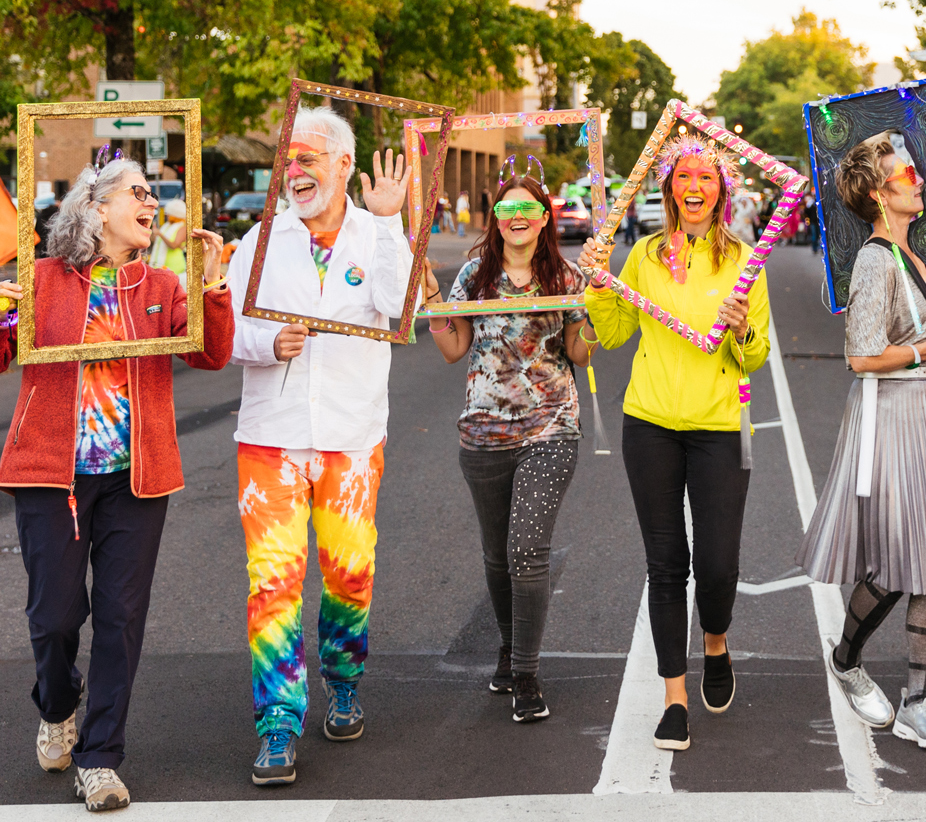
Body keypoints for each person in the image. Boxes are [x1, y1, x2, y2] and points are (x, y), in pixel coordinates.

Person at [0, 158, 232, 811]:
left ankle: (100, 759)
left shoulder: (159, 284)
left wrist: (210, 282)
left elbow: (209, 354)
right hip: (52, 474)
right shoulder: (39, 279)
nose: (151, 202)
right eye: (138, 192)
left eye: (154, 194)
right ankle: (56, 703)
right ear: (97, 207)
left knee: (121, 618)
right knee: (53, 618)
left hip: (137, 477)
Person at [227, 106, 417, 786]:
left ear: (342, 163)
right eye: (287, 159)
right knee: (272, 584)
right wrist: (264, 342)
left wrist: (392, 218)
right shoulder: (258, 242)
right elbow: (227, 331)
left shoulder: (377, 233)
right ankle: (277, 726)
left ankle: (343, 680)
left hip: (351, 436)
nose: (295, 171)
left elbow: (401, 309)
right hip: (271, 439)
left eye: (309, 158)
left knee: (347, 571)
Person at [796, 130, 926, 752]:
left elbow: (924, 305)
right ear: (881, 194)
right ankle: (847, 656)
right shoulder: (875, 259)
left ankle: (917, 702)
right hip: (894, 416)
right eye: (905, 172)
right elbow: (860, 355)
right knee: (898, 563)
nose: (917, 177)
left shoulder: (911, 257)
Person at [579, 134, 770, 752]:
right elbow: (610, 334)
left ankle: (716, 640)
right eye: (684, 177)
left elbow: (756, 355)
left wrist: (740, 332)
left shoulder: (747, 260)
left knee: (718, 565)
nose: (694, 187)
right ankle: (674, 697)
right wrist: (598, 282)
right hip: (651, 423)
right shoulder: (644, 255)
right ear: (669, 189)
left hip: (719, 426)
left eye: (706, 179)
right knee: (667, 566)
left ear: (722, 191)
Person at [423, 172, 593, 723]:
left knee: (526, 550)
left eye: (528, 207)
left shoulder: (566, 276)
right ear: (495, 219)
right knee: (497, 556)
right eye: (505, 208)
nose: (516, 216)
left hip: (550, 430)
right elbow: (453, 349)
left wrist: (594, 306)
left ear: (545, 217)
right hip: (483, 434)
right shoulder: (475, 274)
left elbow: (581, 353)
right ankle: (506, 645)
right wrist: (428, 293)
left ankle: (526, 673)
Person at [148, 197, 188, 287]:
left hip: (174, 265)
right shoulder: (166, 226)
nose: (167, 216)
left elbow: (174, 245)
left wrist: (160, 234)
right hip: (160, 265)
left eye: (169, 214)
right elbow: (156, 241)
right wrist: (154, 234)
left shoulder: (182, 227)